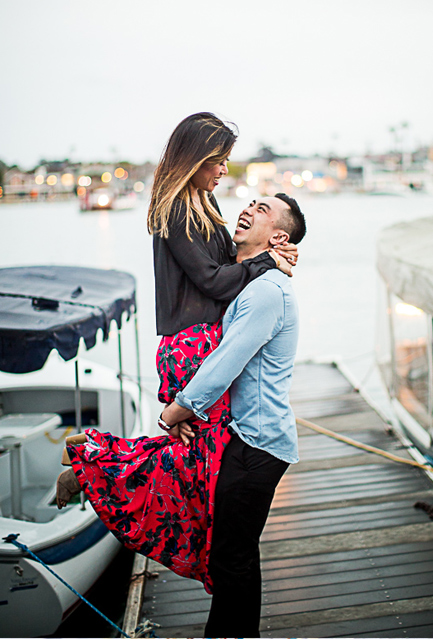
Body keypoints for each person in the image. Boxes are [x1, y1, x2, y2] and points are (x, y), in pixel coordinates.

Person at [57, 112, 299, 595]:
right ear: (197, 159)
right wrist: (266, 262)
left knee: (194, 466)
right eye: (219, 161)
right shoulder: (175, 210)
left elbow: (225, 269)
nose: (223, 172)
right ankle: (90, 465)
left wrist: (268, 255)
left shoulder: (202, 205)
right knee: (187, 462)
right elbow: (211, 281)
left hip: (200, 342)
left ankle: (216, 559)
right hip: (189, 347)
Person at [158, 193, 305, 637]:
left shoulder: (266, 292)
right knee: (234, 555)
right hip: (246, 438)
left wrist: (176, 409)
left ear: (278, 236)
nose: (247, 209)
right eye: (251, 202)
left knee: (231, 558)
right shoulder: (253, 281)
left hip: (258, 443)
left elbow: (227, 360)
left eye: (262, 210)